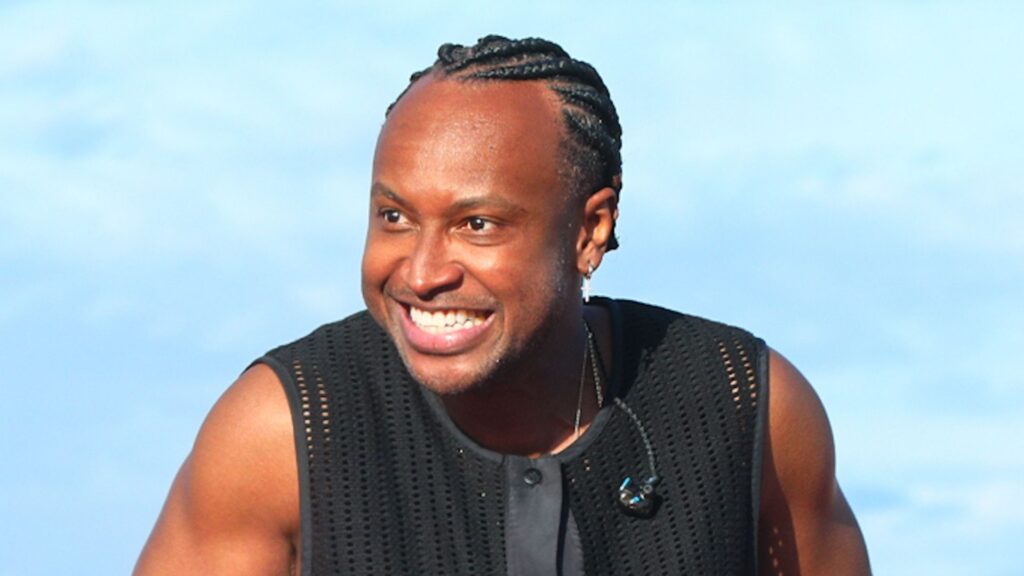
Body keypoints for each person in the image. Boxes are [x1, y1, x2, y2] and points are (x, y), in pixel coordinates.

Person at [135, 35, 871, 575]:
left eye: (477, 224)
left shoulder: (745, 408)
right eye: (394, 217)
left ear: (590, 230)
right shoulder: (284, 434)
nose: (421, 273)